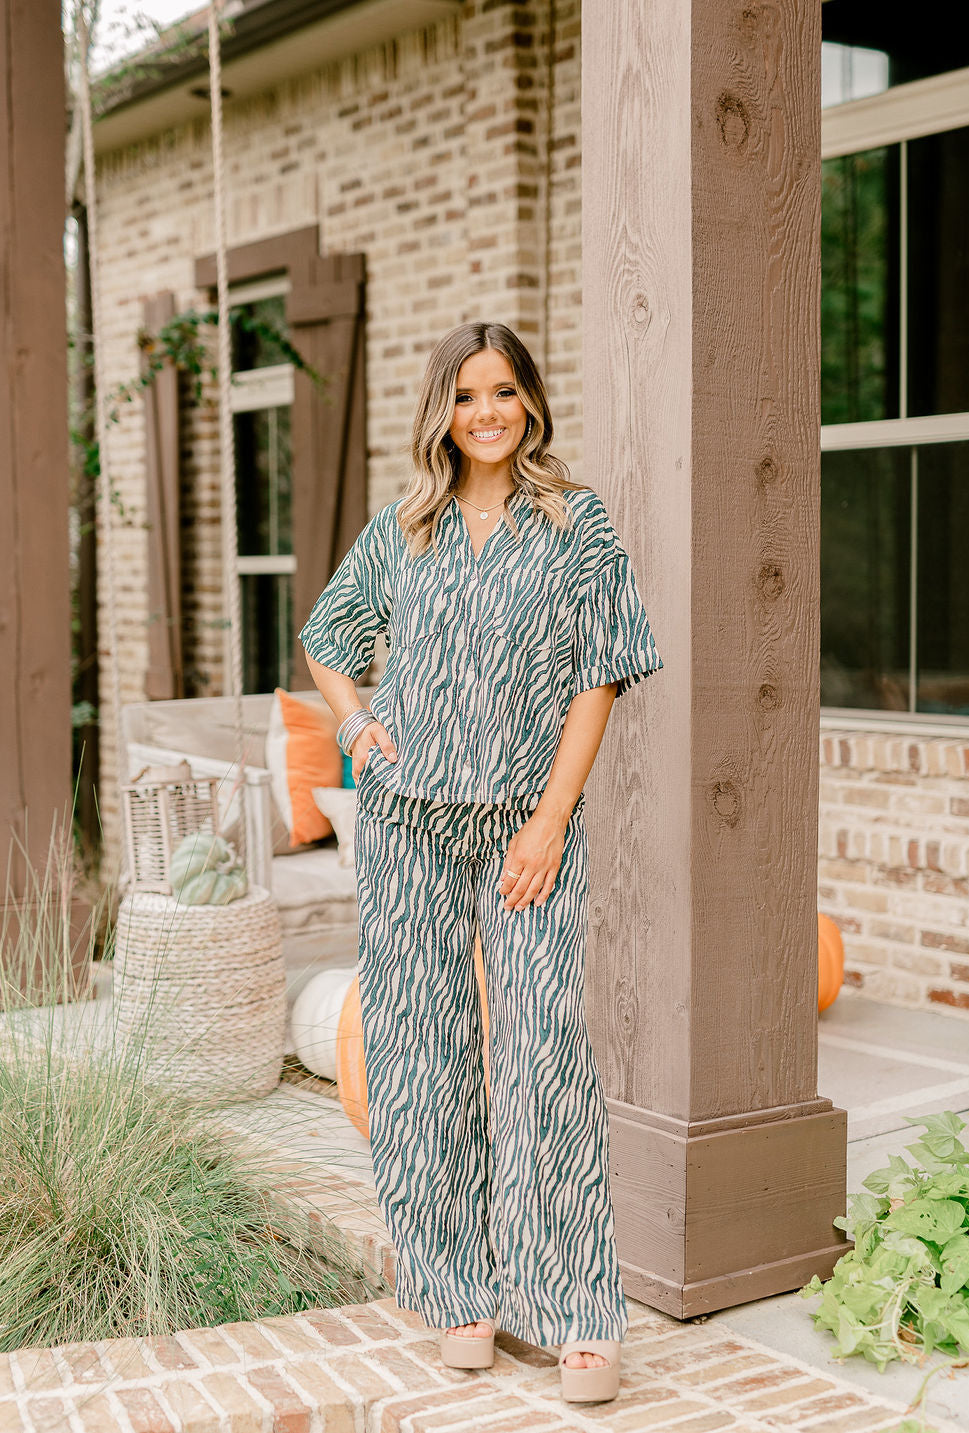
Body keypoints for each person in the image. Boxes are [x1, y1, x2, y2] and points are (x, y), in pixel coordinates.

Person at [298, 321, 663, 1405]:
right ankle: (458, 1289)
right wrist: (360, 730)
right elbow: (329, 631)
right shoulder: (404, 526)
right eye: (465, 396)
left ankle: (577, 1311)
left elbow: (597, 677)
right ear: (441, 414)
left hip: (522, 825)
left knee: (542, 1047)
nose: (486, 412)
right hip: (407, 820)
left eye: (502, 391)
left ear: (530, 402)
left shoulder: (576, 525)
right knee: (417, 1051)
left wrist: (551, 818)